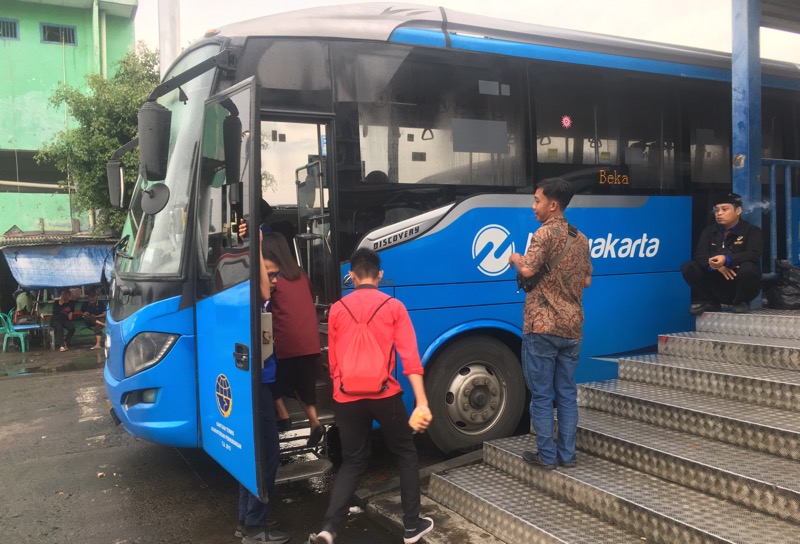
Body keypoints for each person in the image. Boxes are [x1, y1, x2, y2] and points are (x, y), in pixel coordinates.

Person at [310, 248, 433, 544]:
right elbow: (410, 359)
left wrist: (341, 391)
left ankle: (328, 529)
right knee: (404, 453)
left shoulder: (337, 309)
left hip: (347, 397)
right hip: (384, 394)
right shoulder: (394, 306)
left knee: (353, 462)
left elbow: (335, 362)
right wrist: (422, 401)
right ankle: (411, 526)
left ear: (350, 276)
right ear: (379, 275)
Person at [508, 177, 592, 470]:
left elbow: (529, 269)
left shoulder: (543, 235)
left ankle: (546, 456)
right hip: (572, 328)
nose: (533, 206)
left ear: (552, 204)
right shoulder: (580, 239)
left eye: (537, 200)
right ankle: (567, 456)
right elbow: (587, 280)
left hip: (542, 326)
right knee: (567, 394)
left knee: (542, 395)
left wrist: (515, 259)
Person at [238, 236, 290, 544]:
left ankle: (246, 519)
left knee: (251, 453)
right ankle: (255, 526)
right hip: (256, 385)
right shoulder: (253, 296)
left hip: (261, 384)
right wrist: (255, 247)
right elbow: (260, 289)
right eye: (269, 273)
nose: (273, 280)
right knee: (267, 455)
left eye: (275, 274)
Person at [261, 232, 324, 445]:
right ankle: (315, 421)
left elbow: (265, 302)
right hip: (310, 341)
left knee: (269, 380)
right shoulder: (300, 273)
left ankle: (284, 416)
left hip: (286, 343)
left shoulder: (271, 275)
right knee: (303, 385)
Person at [680, 192, 762, 314]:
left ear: (738, 210)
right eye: (717, 210)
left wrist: (727, 259)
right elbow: (700, 255)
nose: (719, 213)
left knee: (749, 267)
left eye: (724, 209)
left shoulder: (751, 231)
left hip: (739, 283)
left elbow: (754, 253)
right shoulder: (709, 231)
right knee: (688, 267)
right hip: (717, 284)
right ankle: (710, 302)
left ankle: (740, 302)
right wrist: (715, 266)